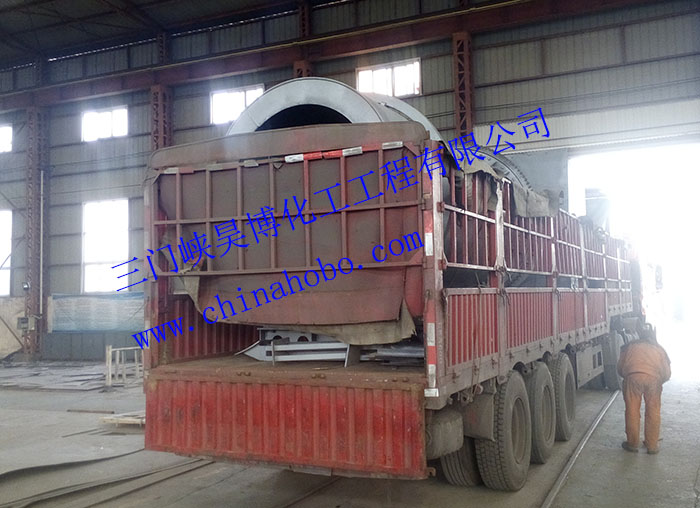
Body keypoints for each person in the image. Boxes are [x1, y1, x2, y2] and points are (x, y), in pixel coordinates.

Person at [617, 335, 671, 454]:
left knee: (632, 410)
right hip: (653, 380)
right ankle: (652, 446)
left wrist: (628, 376)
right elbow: (667, 373)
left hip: (633, 378)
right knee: (653, 411)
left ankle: (632, 444)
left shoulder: (629, 347)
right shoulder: (659, 349)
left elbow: (620, 367)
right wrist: (659, 381)